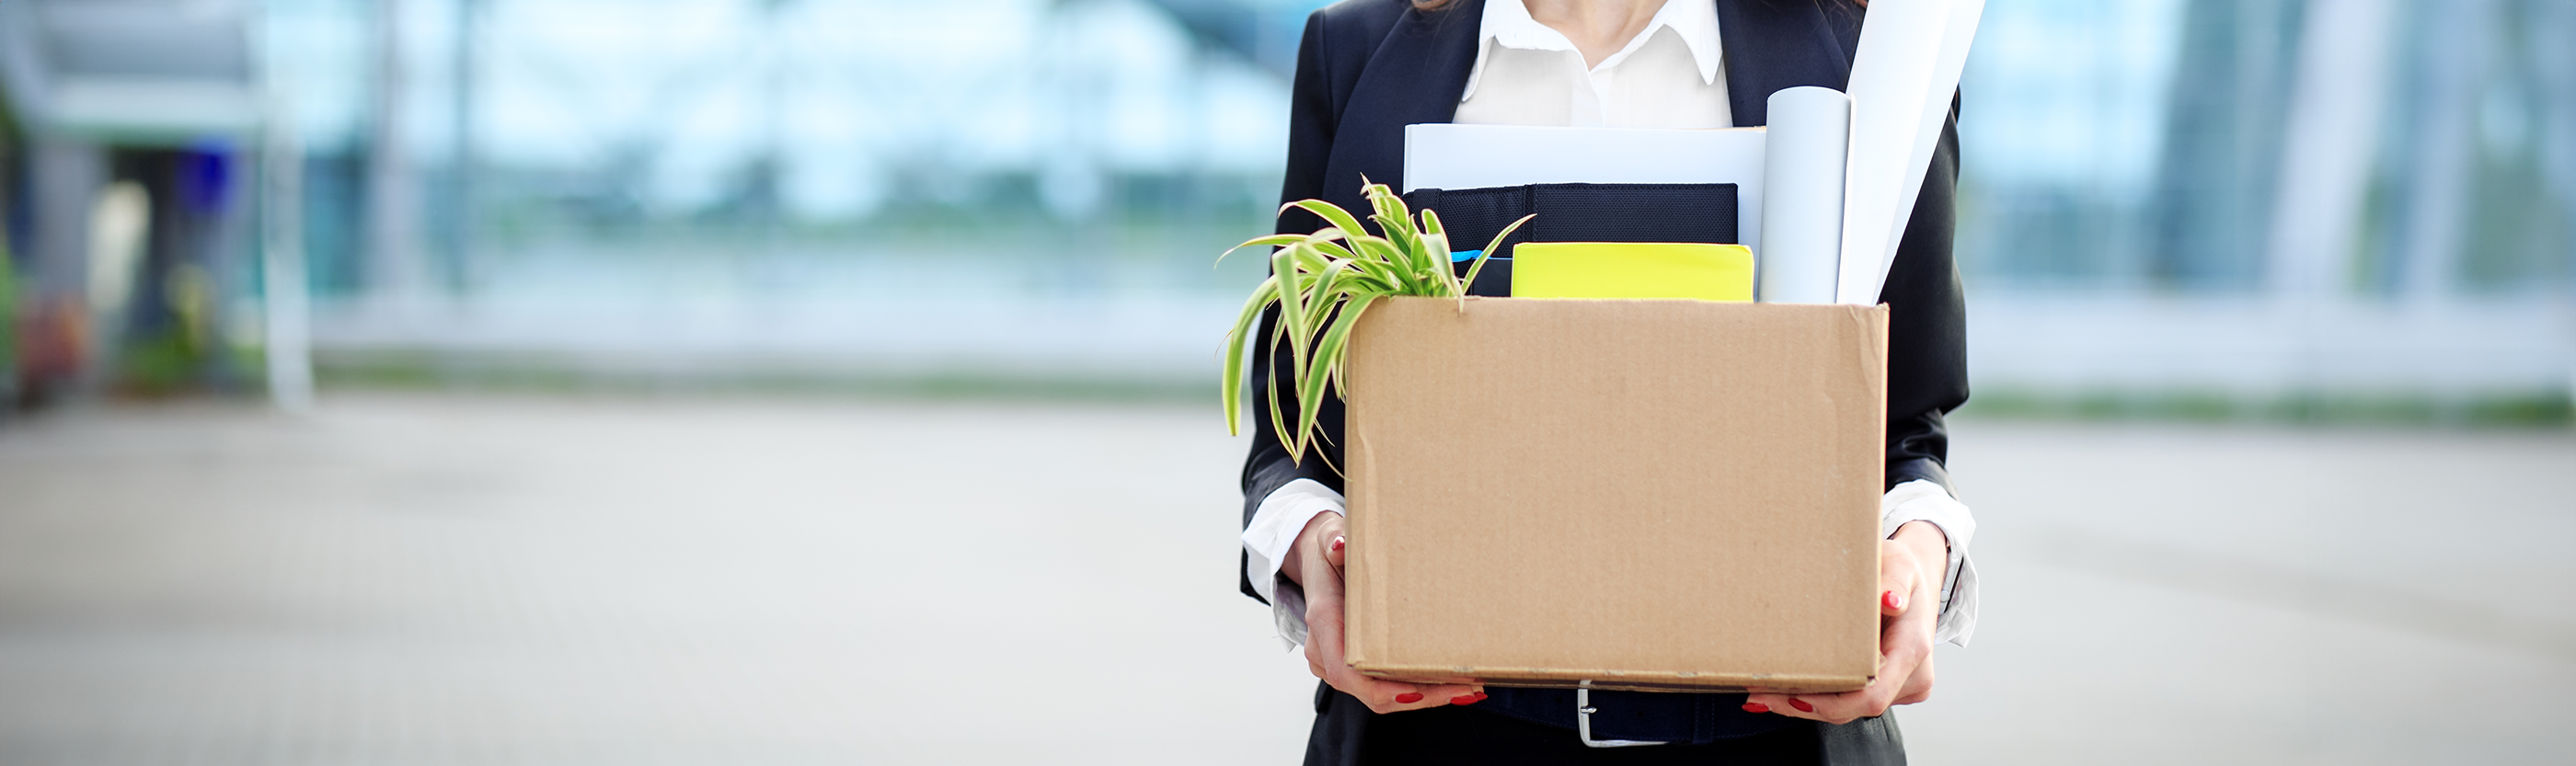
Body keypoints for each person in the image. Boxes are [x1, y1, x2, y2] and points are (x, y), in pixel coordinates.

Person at [1235, 0, 1980, 763]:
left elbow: (1905, 431)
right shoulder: (1356, 54)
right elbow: (1294, 441)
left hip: (1776, 737)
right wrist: (1315, 548)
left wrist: (1916, 557)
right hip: (1437, 735)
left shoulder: (1867, 60)